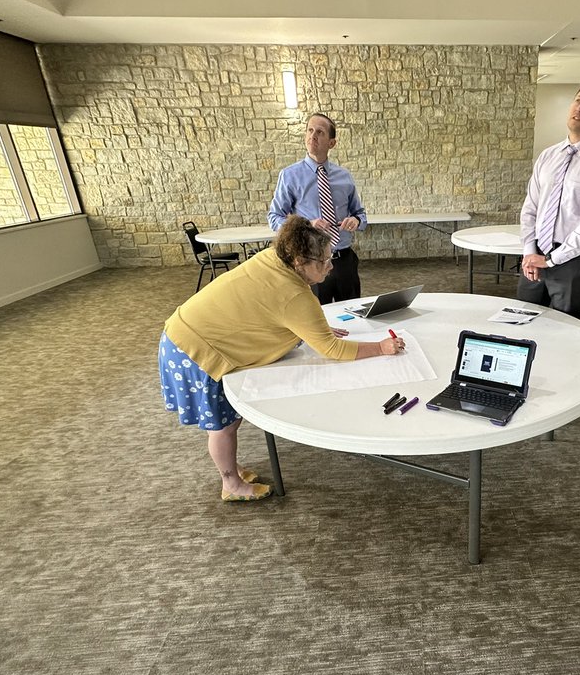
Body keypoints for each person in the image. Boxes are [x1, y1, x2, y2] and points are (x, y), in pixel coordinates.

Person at [159, 215, 405, 502]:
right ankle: (231, 484)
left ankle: (229, 468)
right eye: (323, 261)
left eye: (330, 257)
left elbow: (265, 308)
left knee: (229, 420)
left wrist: (313, 328)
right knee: (223, 425)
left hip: (185, 329)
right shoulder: (295, 296)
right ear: (300, 262)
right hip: (193, 348)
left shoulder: (272, 257)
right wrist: (381, 347)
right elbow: (332, 350)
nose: (330, 265)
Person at [517, 80, 580, 319]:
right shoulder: (548, 155)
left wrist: (552, 260)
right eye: (577, 101)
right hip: (535, 254)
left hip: (572, 259)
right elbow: (530, 208)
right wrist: (529, 251)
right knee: (522, 320)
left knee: (566, 328)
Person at [268, 113, 367, 304]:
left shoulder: (344, 176)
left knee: (353, 317)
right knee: (316, 320)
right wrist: (306, 225)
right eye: (310, 130)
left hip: (344, 259)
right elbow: (275, 217)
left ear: (332, 143)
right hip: (310, 261)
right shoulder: (290, 176)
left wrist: (356, 221)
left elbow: (360, 214)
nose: (313, 136)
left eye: (320, 132)